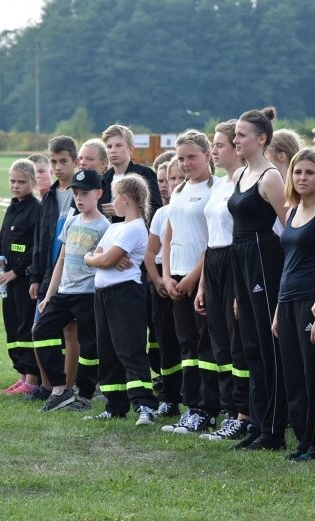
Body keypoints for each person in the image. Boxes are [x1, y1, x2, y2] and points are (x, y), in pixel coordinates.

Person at [227, 106, 289, 450]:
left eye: (241, 135)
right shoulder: (240, 176)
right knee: (250, 345)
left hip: (263, 258)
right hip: (241, 258)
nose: (236, 140)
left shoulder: (270, 177)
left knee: (268, 347)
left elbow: (289, 224)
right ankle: (257, 420)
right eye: (234, 135)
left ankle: (274, 429)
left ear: (261, 138)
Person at [271, 148, 315, 462]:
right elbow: (287, 263)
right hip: (287, 301)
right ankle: (302, 441)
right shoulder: (292, 211)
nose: (302, 178)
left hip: (311, 303)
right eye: (297, 172)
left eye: (310, 172)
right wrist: (277, 310)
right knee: (294, 376)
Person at [84, 175, 159, 425]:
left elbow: (102, 259)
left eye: (115, 197)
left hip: (124, 294)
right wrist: (97, 258)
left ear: (125, 199)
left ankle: (145, 405)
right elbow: (95, 255)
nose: (112, 202)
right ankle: (114, 405)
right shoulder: (115, 227)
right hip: (103, 295)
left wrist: (102, 258)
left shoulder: (135, 228)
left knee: (130, 348)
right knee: (107, 349)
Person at [32, 169, 109, 412]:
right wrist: (49, 295)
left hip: (88, 295)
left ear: (99, 193)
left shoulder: (105, 226)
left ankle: (85, 395)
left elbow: (106, 261)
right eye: (76, 193)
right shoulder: (71, 221)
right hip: (64, 293)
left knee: (89, 346)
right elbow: (61, 261)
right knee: (41, 330)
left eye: (85, 193)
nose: (80, 198)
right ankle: (59, 389)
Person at [196, 119, 251, 442]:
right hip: (213, 261)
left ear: (236, 147)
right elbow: (209, 237)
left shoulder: (243, 182)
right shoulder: (218, 184)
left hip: (235, 260)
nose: (214, 151)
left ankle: (243, 413)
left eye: (219, 145)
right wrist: (203, 283)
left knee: (237, 340)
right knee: (219, 341)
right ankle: (229, 409)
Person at [160, 130, 219, 435]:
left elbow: (214, 241)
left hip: (202, 279)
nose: (185, 163)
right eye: (180, 158)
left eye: (191, 157)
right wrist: (168, 275)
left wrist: (193, 278)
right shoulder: (180, 190)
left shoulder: (216, 189)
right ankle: (191, 406)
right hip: (177, 278)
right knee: (186, 345)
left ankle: (208, 409)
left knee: (205, 344)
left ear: (208, 156)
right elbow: (169, 236)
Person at [26, 136, 79, 402]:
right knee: (39, 326)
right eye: (54, 162)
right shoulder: (48, 197)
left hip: (73, 275)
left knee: (70, 331)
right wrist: (35, 275)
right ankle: (47, 387)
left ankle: (67, 387)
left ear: (76, 161)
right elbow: (40, 238)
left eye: (63, 162)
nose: (58, 168)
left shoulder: (82, 192)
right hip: (47, 274)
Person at [0, 160, 42, 396]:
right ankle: (21, 376)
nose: (16, 185)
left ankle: (32, 380)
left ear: (32, 182)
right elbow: (2, 240)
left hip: (23, 281)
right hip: (6, 281)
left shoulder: (36, 209)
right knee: (12, 328)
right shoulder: (12, 207)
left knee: (25, 328)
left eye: (21, 182)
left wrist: (17, 272)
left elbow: (34, 248)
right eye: (12, 181)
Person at [144, 157, 183, 418]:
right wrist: (158, 280)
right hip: (162, 279)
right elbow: (150, 252)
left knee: (191, 344)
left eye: (179, 178)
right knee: (166, 340)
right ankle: (170, 396)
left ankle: (199, 396)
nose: (175, 184)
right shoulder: (161, 213)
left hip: (188, 275)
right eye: (171, 179)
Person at [99, 124, 162, 223]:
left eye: (118, 145)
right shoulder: (103, 179)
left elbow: (156, 210)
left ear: (131, 149)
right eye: (109, 146)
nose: (113, 150)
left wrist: (122, 211)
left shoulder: (144, 174)